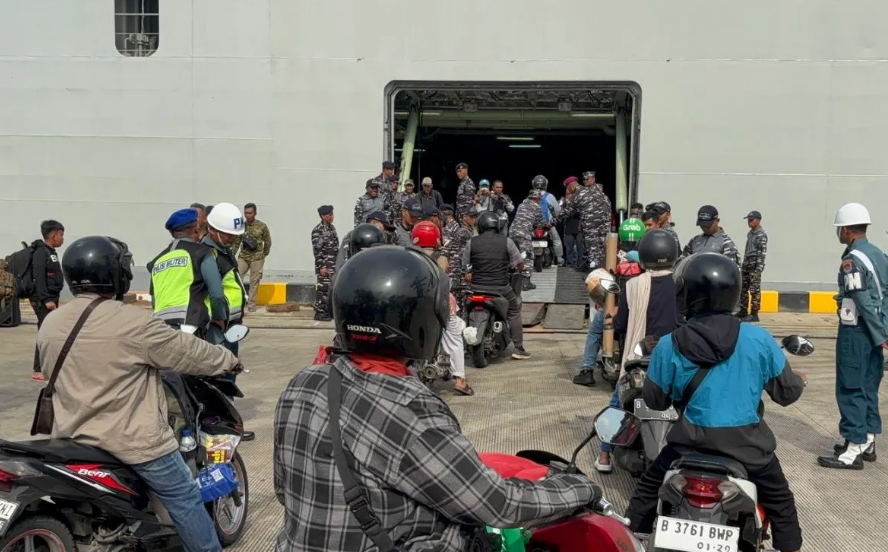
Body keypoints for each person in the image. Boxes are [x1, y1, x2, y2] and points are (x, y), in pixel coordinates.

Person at [273, 246, 600, 551]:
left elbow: (284, 488)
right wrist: (582, 488)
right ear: (423, 320)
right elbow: (499, 505)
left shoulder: (303, 383)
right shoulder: (412, 412)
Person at [39, 235, 241, 552]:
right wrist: (229, 360)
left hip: (69, 435)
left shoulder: (51, 322)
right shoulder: (135, 322)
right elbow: (189, 352)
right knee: (184, 496)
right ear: (118, 274)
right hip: (131, 441)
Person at [624, 252, 806, 552]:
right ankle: (790, 547)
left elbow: (654, 403)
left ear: (687, 296)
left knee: (645, 492)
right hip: (749, 450)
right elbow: (787, 395)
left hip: (687, 447)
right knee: (781, 502)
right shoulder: (758, 339)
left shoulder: (669, 344)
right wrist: (797, 380)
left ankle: (635, 538)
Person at [596, 229, 681, 472]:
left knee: (618, 399)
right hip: (673, 357)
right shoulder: (681, 284)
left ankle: (604, 454)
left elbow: (621, 325)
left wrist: (614, 315)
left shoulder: (633, 284)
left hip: (639, 357)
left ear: (643, 257)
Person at [818, 202, 887, 469]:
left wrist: (880, 334)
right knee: (868, 384)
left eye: (839, 230)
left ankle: (853, 447)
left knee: (850, 386)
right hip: (873, 329)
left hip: (857, 331)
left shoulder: (853, 260)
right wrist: (884, 329)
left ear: (846, 230)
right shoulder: (878, 254)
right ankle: (867, 439)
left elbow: (861, 299)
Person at [203, 203, 254, 440]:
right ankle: (220, 425)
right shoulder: (208, 254)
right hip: (218, 325)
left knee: (229, 372)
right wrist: (220, 319)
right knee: (219, 374)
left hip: (231, 324)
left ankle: (226, 421)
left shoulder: (223, 251)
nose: (232, 240)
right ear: (212, 230)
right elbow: (213, 292)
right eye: (228, 236)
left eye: (235, 237)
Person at [411, 221, 474, 395]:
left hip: (414, 305)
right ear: (436, 239)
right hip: (441, 304)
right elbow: (446, 281)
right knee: (453, 338)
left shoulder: (409, 257)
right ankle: (460, 380)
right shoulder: (441, 258)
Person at [146, 209, 226, 339]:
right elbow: (216, 294)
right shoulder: (201, 253)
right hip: (191, 326)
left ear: (172, 233)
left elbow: (155, 299)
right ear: (196, 228)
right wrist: (218, 318)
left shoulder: (157, 261)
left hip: (161, 329)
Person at [463, 211, 531, 360]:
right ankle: (518, 348)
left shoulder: (471, 242)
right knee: (514, 309)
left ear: (480, 225)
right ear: (497, 225)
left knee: (463, 311)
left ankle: (463, 346)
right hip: (500, 289)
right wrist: (521, 268)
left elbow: (466, 266)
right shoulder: (507, 242)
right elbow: (519, 263)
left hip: (476, 289)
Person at [30, 219, 65, 381]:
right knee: (44, 333)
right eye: (61, 235)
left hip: (53, 298)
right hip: (44, 301)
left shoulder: (52, 252)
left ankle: (49, 365)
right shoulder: (41, 252)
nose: (63, 238)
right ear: (53, 236)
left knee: (50, 332)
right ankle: (38, 369)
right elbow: (39, 278)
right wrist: (45, 299)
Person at [562, 171, 611, 270]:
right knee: (594, 249)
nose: (585, 181)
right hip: (588, 224)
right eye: (583, 179)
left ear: (593, 179)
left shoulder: (594, 192)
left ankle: (596, 271)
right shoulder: (590, 192)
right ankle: (596, 268)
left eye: (587, 179)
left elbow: (568, 211)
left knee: (595, 248)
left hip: (595, 225)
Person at [229, 202, 272, 313]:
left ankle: (252, 304)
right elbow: (236, 242)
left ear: (255, 213)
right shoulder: (242, 226)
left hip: (257, 257)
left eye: (250, 213)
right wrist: (231, 255)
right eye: (246, 213)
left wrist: (264, 254)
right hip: (243, 256)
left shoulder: (262, 226)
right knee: (236, 278)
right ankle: (238, 301)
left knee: (254, 281)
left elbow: (267, 241)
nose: (248, 215)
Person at [442, 209, 477, 312]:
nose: (474, 219)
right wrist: (468, 270)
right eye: (471, 217)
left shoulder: (468, 231)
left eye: (475, 217)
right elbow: (464, 254)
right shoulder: (463, 233)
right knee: (460, 303)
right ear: (464, 217)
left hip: (459, 270)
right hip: (459, 271)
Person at [737, 210, 768, 323]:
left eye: (751, 220)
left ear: (758, 220)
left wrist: (758, 269)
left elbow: (762, 252)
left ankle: (754, 314)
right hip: (747, 263)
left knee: (754, 290)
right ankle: (743, 311)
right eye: (748, 220)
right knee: (743, 288)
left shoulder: (761, 235)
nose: (749, 222)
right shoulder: (750, 233)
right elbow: (747, 250)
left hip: (755, 264)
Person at [510, 190, 544, 291]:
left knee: (515, 256)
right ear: (536, 199)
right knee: (527, 255)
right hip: (523, 233)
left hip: (512, 232)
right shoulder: (536, 207)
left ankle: (513, 281)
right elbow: (540, 223)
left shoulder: (521, 204)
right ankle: (526, 282)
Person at [311, 205, 339, 322]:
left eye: (332, 214)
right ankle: (319, 311)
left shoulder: (331, 228)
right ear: (323, 216)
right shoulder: (318, 230)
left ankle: (326, 310)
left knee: (329, 288)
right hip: (324, 265)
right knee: (323, 288)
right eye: (330, 215)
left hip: (332, 264)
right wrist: (322, 266)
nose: (332, 217)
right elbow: (317, 250)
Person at [532, 175, 564, 266]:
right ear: (545, 184)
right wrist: (553, 220)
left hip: (533, 225)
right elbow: (558, 211)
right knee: (556, 240)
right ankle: (559, 259)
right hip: (547, 225)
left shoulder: (530, 195)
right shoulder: (550, 196)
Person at [562, 176, 584, 268]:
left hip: (580, 224)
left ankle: (581, 264)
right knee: (569, 246)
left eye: (568, 186)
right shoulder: (566, 196)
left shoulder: (582, 194)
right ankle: (569, 263)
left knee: (580, 246)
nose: (567, 188)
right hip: (569, 224)